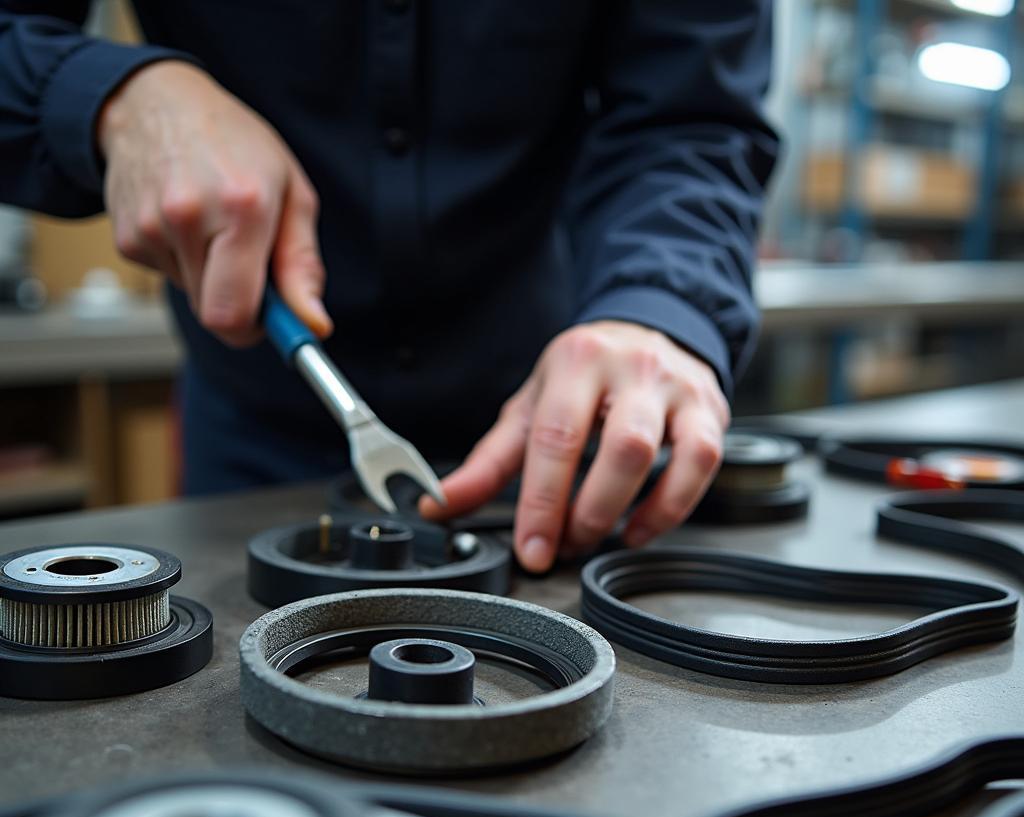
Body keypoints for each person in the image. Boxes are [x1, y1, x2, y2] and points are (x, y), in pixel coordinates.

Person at [0, 2, 777, 572]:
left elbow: (691, 119)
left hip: (548, 439)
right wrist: (116, 96)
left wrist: (657, 307)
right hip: (254, 440)